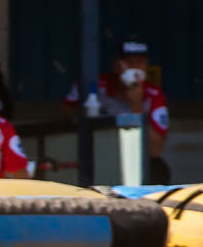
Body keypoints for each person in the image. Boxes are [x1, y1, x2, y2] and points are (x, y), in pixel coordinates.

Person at [68, 40, 170, 182]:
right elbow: (68, 112)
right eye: (129, 62)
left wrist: (136, 104)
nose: (135, 67)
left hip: (132, 158)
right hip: (98, 154)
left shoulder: (153, 94)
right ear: (116, 65)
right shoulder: (96, 84)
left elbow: (155, 150)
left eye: (140, 62)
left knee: (158, 170)